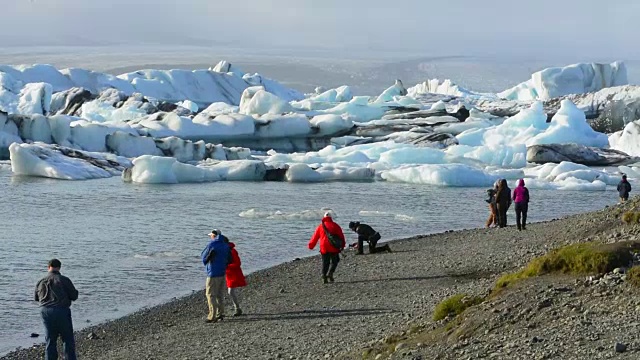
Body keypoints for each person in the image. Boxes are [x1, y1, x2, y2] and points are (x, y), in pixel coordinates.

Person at [35, 259, 78, 360]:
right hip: (61, 310)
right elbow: (74, 296)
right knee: (67, 340)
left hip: (45, 311)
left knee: (50, 339)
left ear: (48, 267)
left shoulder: (41, 281)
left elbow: (37, 298)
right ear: (59, 267)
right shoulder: (64, 280)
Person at [201, 229, 231, 323]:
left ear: (214, 236)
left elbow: (204, 258)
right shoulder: (225, 245)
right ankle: (220, 313)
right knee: (219, 294)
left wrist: (209, 257)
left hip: (213, 272)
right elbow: (230, 259)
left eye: (211, 235)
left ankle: (212, 315)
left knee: (210, 294)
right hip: (222, 272)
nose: (210, 237)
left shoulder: (212, 245)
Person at [308, 212, 345, 284]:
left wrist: (311, 245)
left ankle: (324, 276)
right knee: (335, 261)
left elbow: (315, 237)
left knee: (325, 262)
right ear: (331, 217)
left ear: (324, 217)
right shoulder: (335, 225)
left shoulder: (320, 226)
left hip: (324, 247)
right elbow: (341, 236)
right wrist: (342, 245)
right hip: (333, 247)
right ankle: (330, 273)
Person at [223, 237, 246, 316]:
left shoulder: (232, 251)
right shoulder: (226, 251)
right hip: (229, 274)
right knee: (230, 292)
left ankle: (237, 308)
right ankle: (237, 308)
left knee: (230, 292)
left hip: (234, 274)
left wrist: (226, 266)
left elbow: (237, 263)